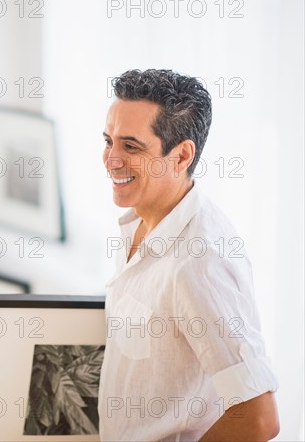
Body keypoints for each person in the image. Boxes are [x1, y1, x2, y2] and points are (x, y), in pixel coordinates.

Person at [98, 69, 279, 441]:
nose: (111, 159)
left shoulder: (200, 261)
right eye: (108, 140)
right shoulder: (140, 221)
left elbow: (259, 418)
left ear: (181, 156)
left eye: (131, 147)